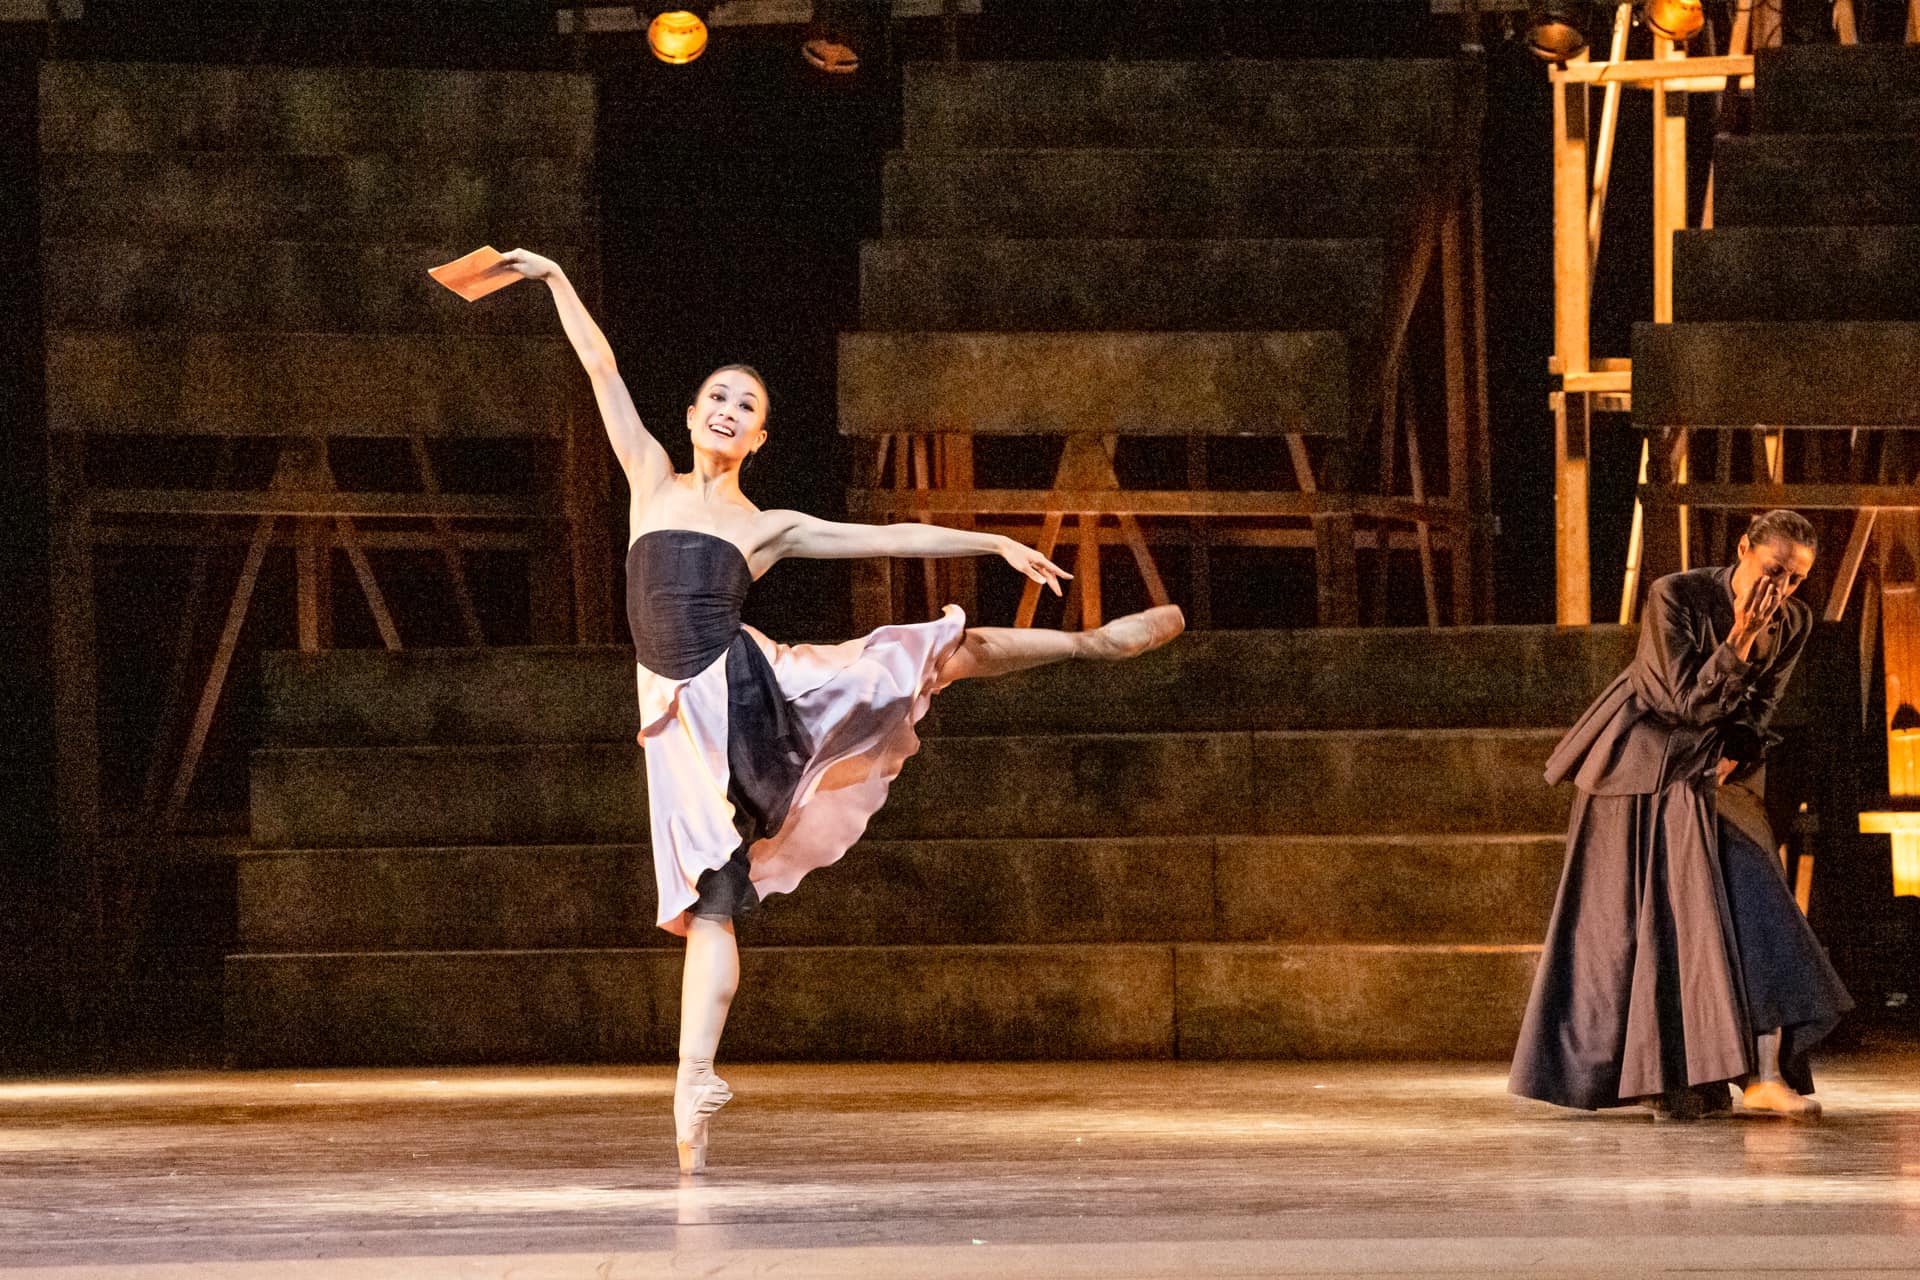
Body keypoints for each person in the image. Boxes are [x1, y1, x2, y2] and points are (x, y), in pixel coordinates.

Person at [493, 249, 1185, 1173]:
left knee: (921, 656)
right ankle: (693, 1090)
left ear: (758, 439)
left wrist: (983, 536)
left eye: (746, 405)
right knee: (710, 901)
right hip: (674, 726)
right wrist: (555, 281)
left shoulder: (766, 525)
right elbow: (602, 368)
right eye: (717, 397)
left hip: (746, 691)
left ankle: (1088, 645)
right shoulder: (649, 480)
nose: (727, 410)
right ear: (692, 415)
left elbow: (888, 534)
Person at [1510, 509, 1852, 1120]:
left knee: (1749, 893)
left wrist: (1735, 751)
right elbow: (1682, 702)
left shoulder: (1794, 620)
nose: (1783, 589)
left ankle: (1760, 1075)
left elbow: (1760, 706)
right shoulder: (1676, 595)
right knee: (1647, 926)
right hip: (1641, 769)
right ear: (1744, 548)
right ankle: (1674, 1075)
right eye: (1775, 570)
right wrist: (1740, 638)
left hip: (1702, 776)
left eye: (1797, 579)